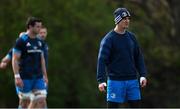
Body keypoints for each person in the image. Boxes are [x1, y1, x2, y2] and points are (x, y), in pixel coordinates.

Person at [97, 8, 148, 108]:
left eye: (128, 18)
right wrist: (101, 80)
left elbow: (138, 57)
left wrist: (142, 74)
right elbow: (102, 60)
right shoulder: (109, 39)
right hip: (115, 82)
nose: (127, 21)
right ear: (117, 20)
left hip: (132, 81)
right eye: (124, 19)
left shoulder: (132, 37)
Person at [12, 17, 48, 108]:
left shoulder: (40, 42)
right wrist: (17, 76)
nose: (39, 29)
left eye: (40, 27)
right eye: (37, 27)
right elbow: (15, 59)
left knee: (42, 99)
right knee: (24, 103)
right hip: (25, 77)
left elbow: (42, 59)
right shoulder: (21, 41)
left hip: (38, 77)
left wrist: (45, 75)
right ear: (30, 27)